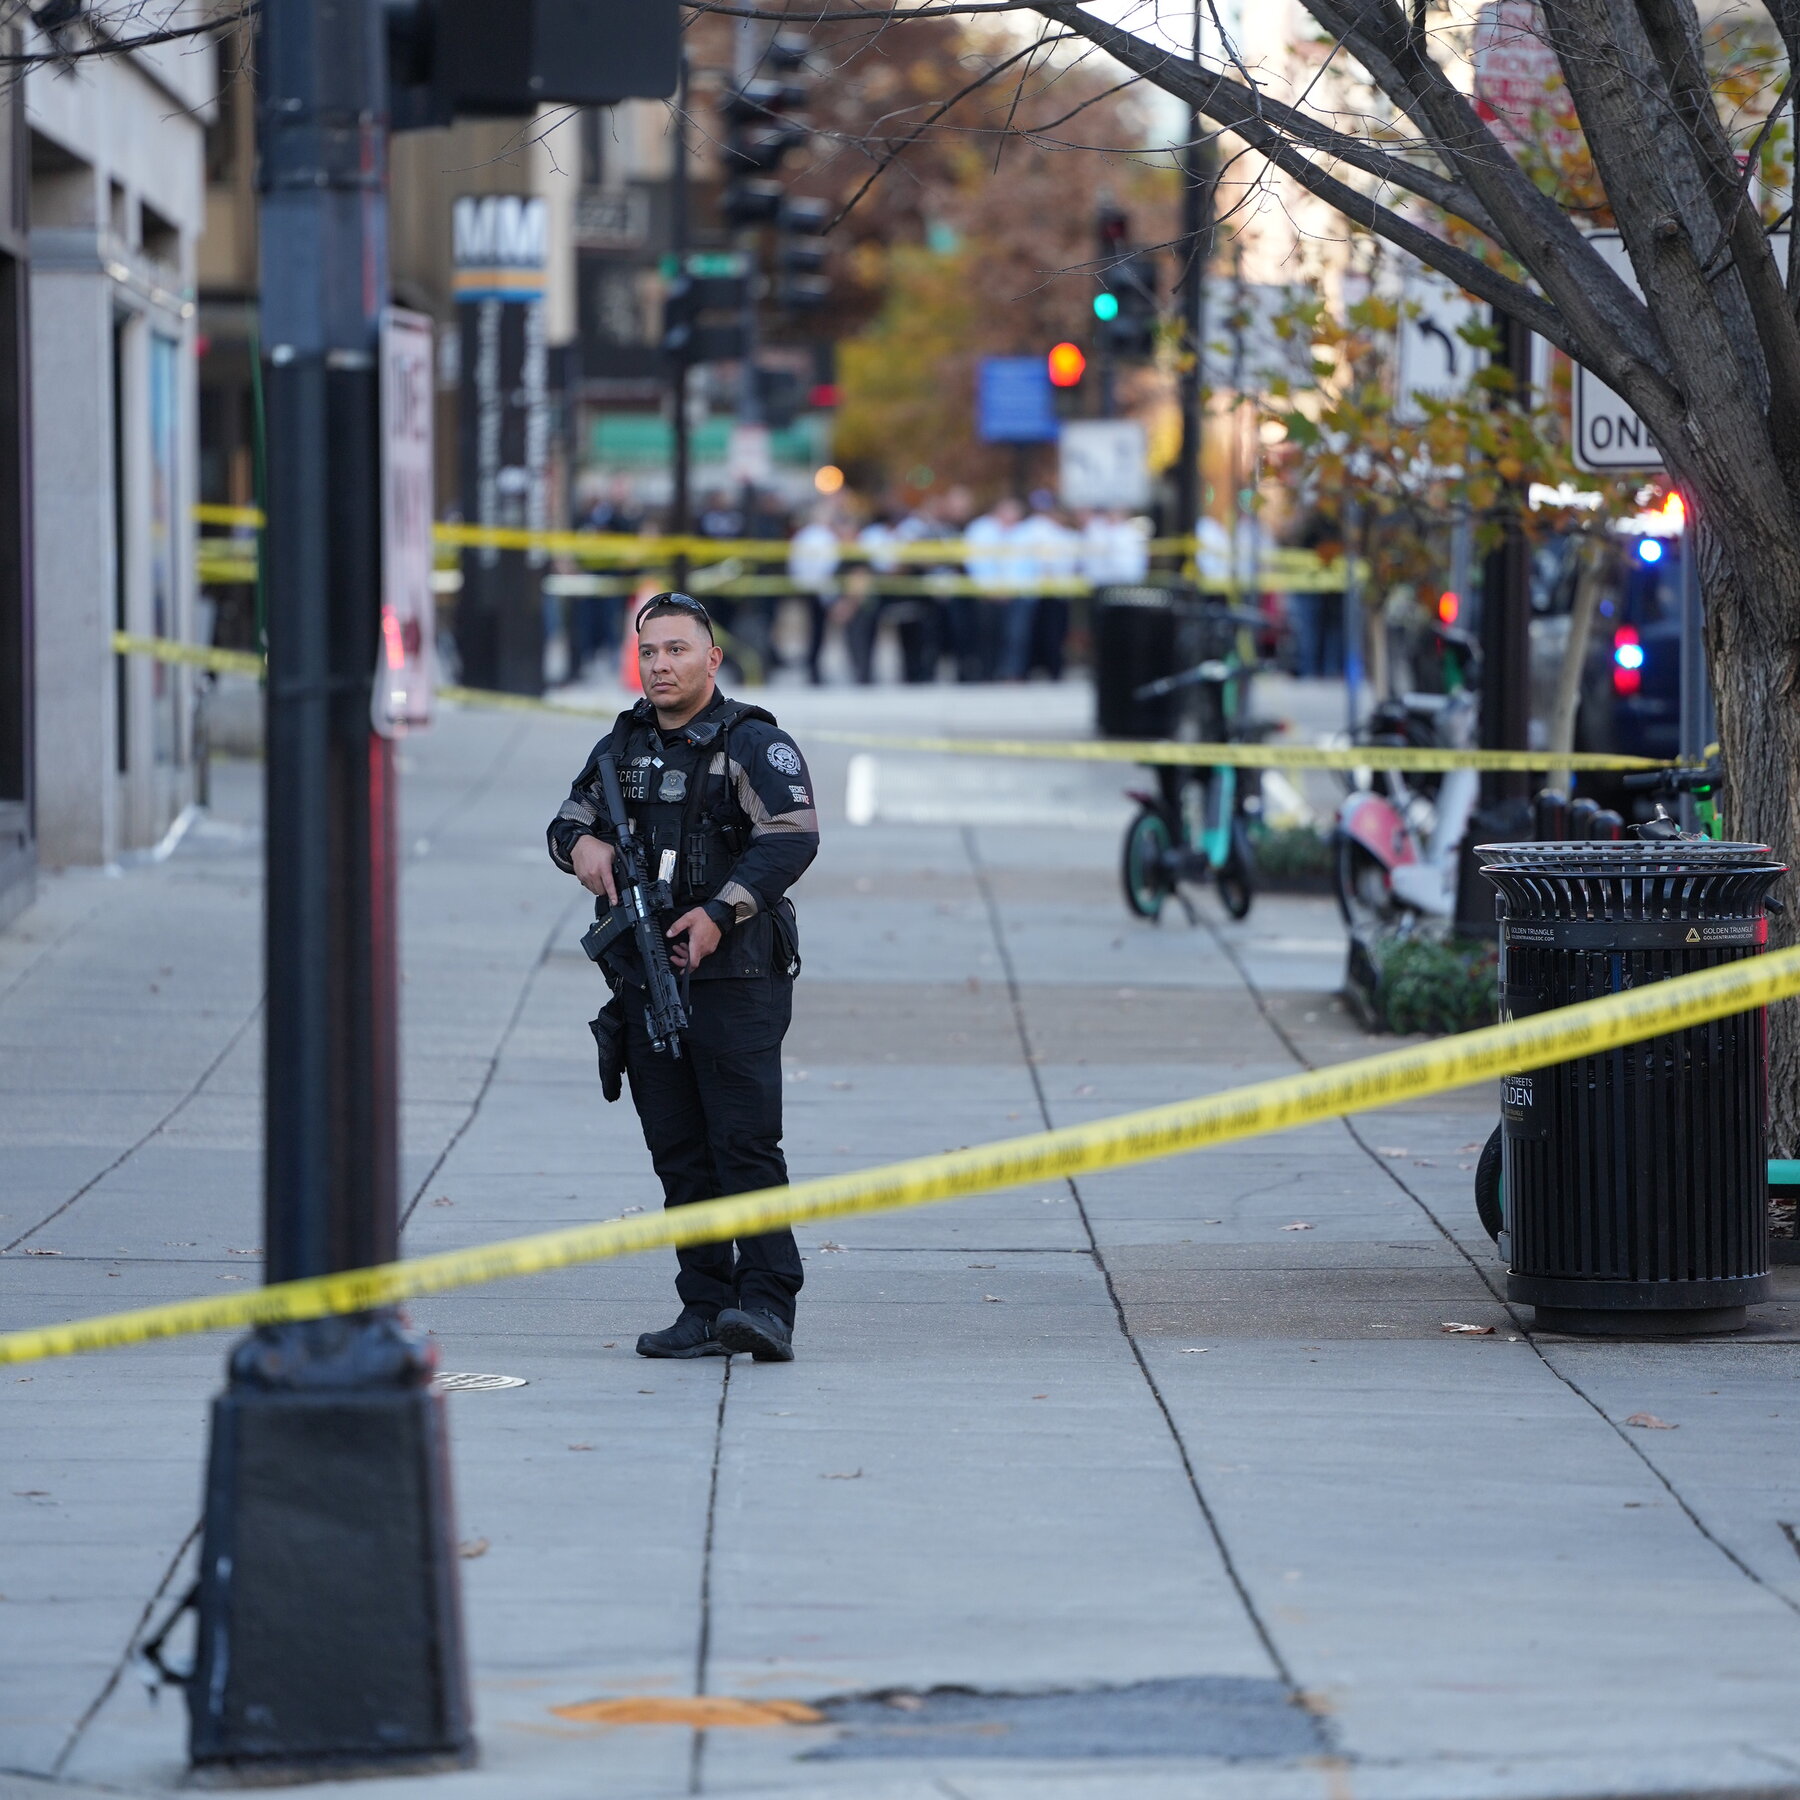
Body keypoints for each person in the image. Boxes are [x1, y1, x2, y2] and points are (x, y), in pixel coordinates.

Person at [546, 593, 820, 1363]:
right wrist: (583, 851)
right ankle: (705, 1304)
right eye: (649, 653)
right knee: (679, 1152)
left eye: (676, 650)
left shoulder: (754, 743)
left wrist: (719, 913)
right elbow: (566, 822)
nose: (661, 665)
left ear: (711, 659)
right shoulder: (624, 742)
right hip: (645, 979)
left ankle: (767, 1305)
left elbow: (793, 837)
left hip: (735, 977)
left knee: (745, 1146)